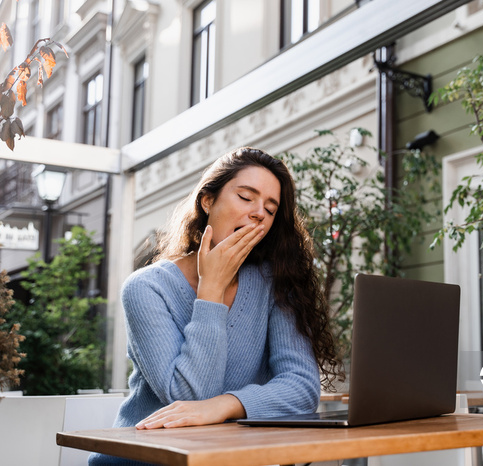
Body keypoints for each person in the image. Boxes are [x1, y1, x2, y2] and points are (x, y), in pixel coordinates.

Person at [89, 147, 342, 465]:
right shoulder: (146, 288)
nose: (258, 213)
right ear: (207, 200)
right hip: (146, 460)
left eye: (270, 208)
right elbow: (190, 400)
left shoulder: (274, 283)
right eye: (246, 197)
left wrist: (227, 404)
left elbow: (302, 388)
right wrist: (211, 290)